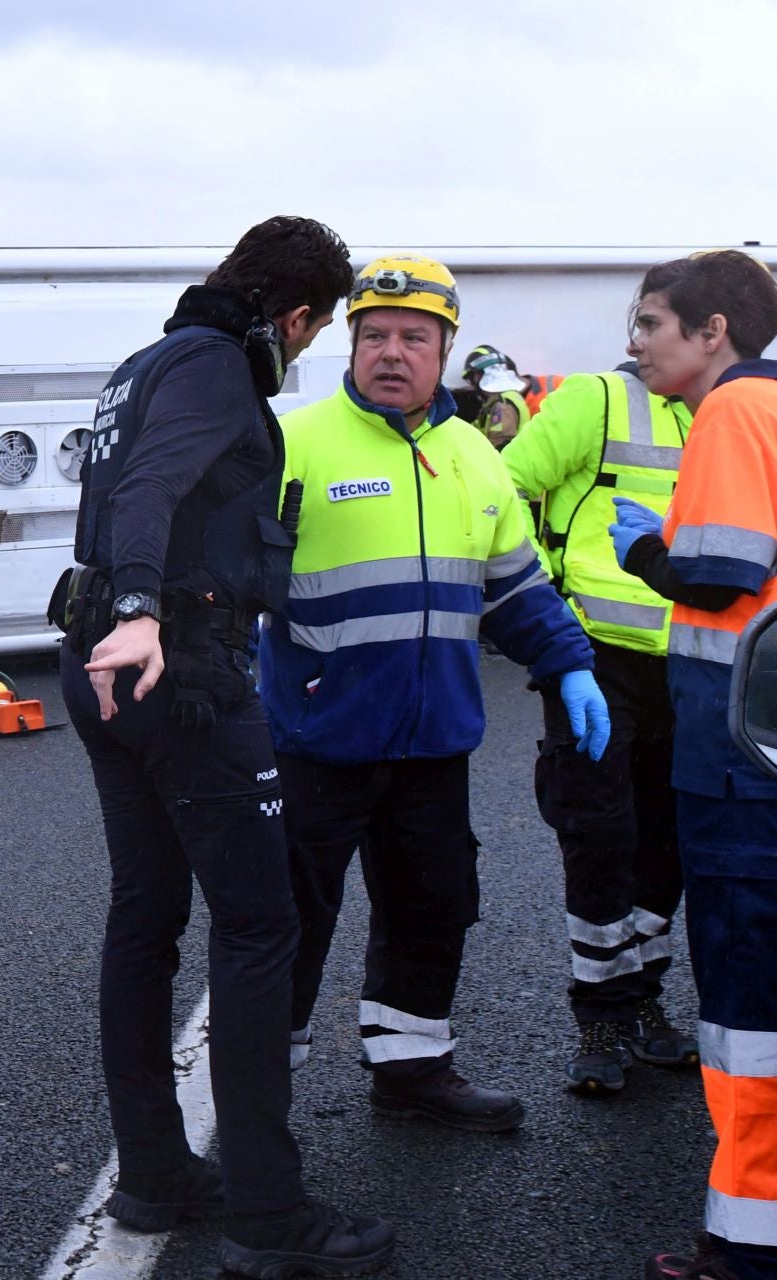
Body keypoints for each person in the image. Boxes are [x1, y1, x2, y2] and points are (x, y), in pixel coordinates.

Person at [61, 216, 394, 1278]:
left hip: (100, 664)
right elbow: (154, 488)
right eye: (317, 329)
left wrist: (120, 616)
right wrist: (141, 607)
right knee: (260, 925)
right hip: (176, 665)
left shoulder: (143, 363)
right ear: (296, 315)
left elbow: (126, 486)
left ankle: (158, 1171)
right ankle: (268, 1208)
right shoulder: (212, 369)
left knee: (146, 915)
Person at [259, 254, 610, 1134]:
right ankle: (256, 1100)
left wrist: (568, 663)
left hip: (433, 741)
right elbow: (229, 582)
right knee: (289, 920)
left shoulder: (473, 457)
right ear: (348, 343)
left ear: (446, 348)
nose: (391, 352)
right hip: (318, 737)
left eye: (414, 337)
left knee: (434, 904)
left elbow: (517, 586)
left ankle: (411, 1072)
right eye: (373, 334)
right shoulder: (290, 442)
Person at [609, 249, 777, 1280]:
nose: (637, 344)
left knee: (747, 1015)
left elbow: (718, 574)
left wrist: (640, 550)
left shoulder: (730, 413)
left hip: (738, 769)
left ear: (714, 332)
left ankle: (748, 1249)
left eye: (653, 323)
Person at [499, 360, 696, 1094]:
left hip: (693, 659)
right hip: (594, 655)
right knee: (600, 830)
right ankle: (603, 1012)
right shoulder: (599, 399)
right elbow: (506, 487)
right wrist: (547, 588)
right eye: (641, 322)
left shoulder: (726, 409)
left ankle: (643, 992)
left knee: (671, 836)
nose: (642, 339)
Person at [458, 343, 531, 448]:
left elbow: (500, 446)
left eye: (472, 378)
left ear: (480, 376)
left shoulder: (502, 405)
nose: (473, 384)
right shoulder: (505, 398)